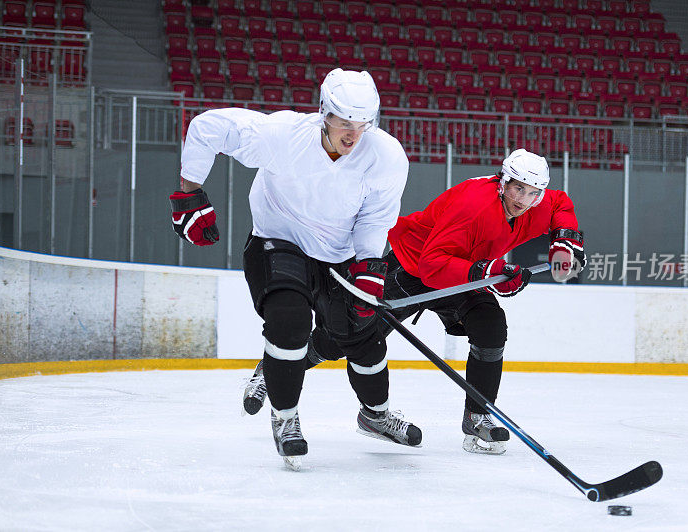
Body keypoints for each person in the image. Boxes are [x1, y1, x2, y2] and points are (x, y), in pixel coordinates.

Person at [243, 149, 585, 456]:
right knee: (347, 337)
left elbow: (560, 205)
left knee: (491, 326)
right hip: (413, 267)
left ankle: (478, 415)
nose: (524, 200)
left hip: (464, 271)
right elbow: (433, 266)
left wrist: (564, 244)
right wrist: (487, 270)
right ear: (502, 181)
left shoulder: (540, 203)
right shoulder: (474, 206)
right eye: (518, 189)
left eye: (533, 192)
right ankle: (270, 370)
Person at [170, 68, 422, 469]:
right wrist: (189, 194)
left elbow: (374, 219)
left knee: (363, 337)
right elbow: (207, 127)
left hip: (338, 253)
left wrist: (369, 267)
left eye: (363, 124)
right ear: (324, 112)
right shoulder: (282, 135)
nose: (353, 134)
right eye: (344, 122)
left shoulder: (386, 157)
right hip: (278, 240)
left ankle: (375, 416)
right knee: (290, 322)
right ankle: (285, 418)